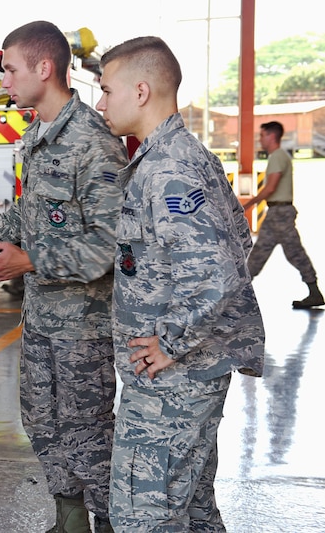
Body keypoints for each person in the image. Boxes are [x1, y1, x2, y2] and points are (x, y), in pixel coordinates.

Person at [96, 36, 265, 532]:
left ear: (141, 91)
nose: (101, 103)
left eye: (106, 90)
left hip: (174, 383)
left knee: (142, 517)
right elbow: (238, 241)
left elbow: (218, 272)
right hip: (187, 376)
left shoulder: (170, 169)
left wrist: (171, 343)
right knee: (190, 511)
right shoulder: (181, 157)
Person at [0, 20, 127, 533]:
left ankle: (108, 522)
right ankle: (69, 520)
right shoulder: (37, 135)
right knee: (42, 425)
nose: (3, 79)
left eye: (9, 68)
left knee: (88, 435)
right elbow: (27, 217)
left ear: (45, 68)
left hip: (84, 329)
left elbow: (108, 245)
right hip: (42, 318)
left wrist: (30, 259)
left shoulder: (94, 142)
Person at [242, 120, 324, 308]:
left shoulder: (278, 157)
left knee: (278, 253)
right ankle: (314, 291)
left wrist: (248, 205)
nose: (260, 139)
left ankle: (237, 296)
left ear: (271, 136)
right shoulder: (278, 157)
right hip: (279, 213)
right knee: (273, 253)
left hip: (280, 214)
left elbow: (270, 187)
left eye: (262, 135)